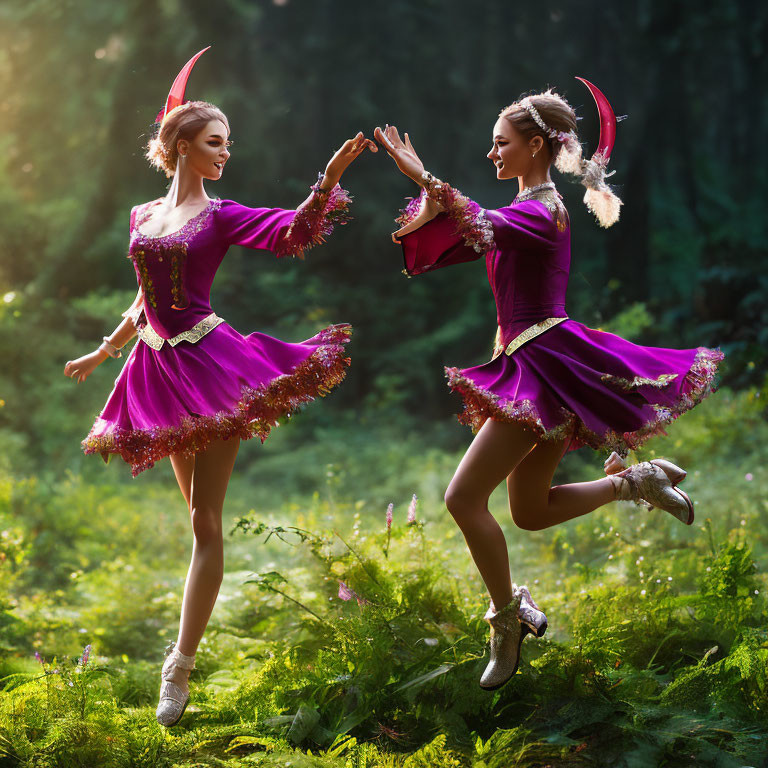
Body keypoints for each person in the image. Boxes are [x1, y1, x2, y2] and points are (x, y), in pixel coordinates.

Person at [374, 79, 723, 691]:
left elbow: (478, 221)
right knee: (530, 511)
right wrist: (428, 203)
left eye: (501, 143)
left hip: (542, 367)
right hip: (530, 367)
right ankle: (632, 483)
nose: (492, 154)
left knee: (462, 500)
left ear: (535, 145)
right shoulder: (518, 212)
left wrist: (427, 179)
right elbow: (440, 247)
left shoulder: (545, 212)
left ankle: (507, 618)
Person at [63, 49, 375, 726]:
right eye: (213, 142)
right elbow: (142, 298)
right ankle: (181, 661)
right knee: (197, 524)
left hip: (211, 367)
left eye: (228, 144)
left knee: (208, 523)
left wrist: (327, 181)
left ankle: (178, 667)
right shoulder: (142, 216)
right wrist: (104, 350)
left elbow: (291, 231)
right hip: (153, 367)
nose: (225, 153)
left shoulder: (224, 214)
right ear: (179, 145)